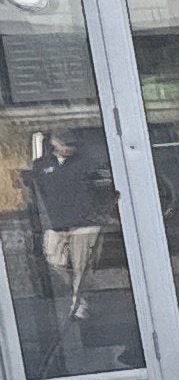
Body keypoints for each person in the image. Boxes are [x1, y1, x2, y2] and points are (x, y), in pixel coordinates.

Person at [28, 124, 114, 318]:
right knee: (54, 260)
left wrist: (99, 214)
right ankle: (80, 291)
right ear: (54, 143)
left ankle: (79, 304)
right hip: (55, 223)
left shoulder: (87, 162)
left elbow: (104, 188)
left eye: (71, 145)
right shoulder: (41, 165)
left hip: (85, 223)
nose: (68, 148)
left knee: (82, 266)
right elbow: (37, 193)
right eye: (64, 144)